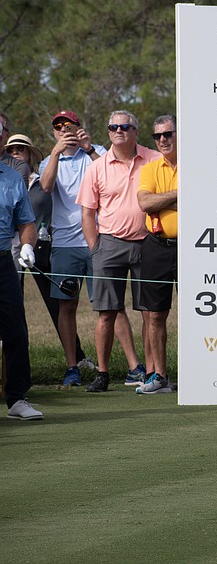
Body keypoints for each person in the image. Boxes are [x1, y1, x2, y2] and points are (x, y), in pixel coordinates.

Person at [77, 110, 160, 392]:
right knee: (106, 312)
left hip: (148, 242)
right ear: (108, 131)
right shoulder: (97, 167)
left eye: (125, 127)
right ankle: (102, 373)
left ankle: (151, 373)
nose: (119, 131)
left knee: (150, 313)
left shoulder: (153, 159)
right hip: (109, 243)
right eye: (113, 127)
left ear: (135, 131)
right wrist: (95, 248)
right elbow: (88, 213)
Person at [6, 133, 96, 375]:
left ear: (29, 155)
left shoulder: (40, 178)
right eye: (12, 149)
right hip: (11, 248)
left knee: (57, 302)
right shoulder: (7, 180)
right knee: (13, 305)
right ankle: (16, 367)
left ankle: (77, 357)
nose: (16, 152)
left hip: (41, 246)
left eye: (21, 149)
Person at [40, 110, 119, 387]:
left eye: (68, 125)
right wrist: (55, 154)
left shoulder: (95, 151)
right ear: (54, 133)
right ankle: (72, 367)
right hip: (64, 243)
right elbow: (46, 186)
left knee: (110, 306)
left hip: (100, 239)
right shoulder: (48, 160)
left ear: (79, 127)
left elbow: (113, 177)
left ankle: (123, 366)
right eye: (58, 127)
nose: (64, 130)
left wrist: (88, 150)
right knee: (66, 305)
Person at [135, 115, 179, 394]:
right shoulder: (151, 168)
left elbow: (203, 196)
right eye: (158, 136)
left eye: (168, 134)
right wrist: (179, 193)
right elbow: (144, 202)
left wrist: (163, 198)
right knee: (155, 315)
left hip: (196, 246)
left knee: (199, 312)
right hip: (157, 245)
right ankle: (160, 377)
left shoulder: (197, 164)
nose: (163, 140)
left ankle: (202, 371)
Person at [0, 158, 42, 420]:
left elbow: (26, 223)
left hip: (3, 262)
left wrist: (27, 246)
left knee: (15, 329)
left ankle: (16, 398)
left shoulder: (13, 179)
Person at [0, 110, 30, 181]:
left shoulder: (18, 167)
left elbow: (15, 191)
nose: (15, 152)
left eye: (0, 128)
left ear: (7, 135)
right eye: (11, 149)